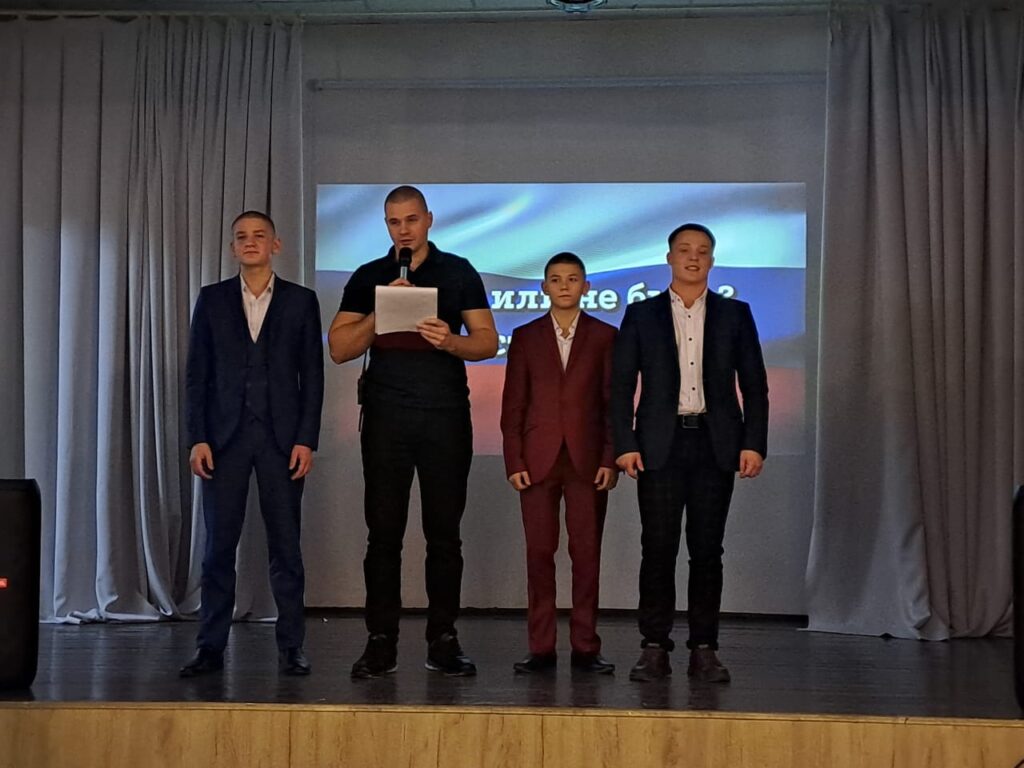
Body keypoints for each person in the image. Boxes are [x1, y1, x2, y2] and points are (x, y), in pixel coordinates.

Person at [328, 185, 498, 678]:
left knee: (444, 535)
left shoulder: (458, 271)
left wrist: (451, 341)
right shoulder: (370, 275)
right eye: (393, 222)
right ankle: (381, 639)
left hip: (444, 415)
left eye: (411, 220)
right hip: (386, 417)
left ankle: (443, 638)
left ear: (429, 219)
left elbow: (487, 342)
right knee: (383, 535)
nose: (403, 230)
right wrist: (381, 314)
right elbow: (339, 348)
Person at [610, 223, 768, 683]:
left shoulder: (735, 313)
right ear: (669, 258)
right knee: (657, 548)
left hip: (716, 445)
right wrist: (625, 444)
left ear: (712, 261)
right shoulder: (642, 314)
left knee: (707, 551)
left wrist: (753, 442)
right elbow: (620, 386)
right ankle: (654, 646)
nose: (693, 258)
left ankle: (704, 648)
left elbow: (754, 385)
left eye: (702, 251)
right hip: (659, 445)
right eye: (684, 250)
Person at [180, 211, 324, 678]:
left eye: (259, 235)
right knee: (218, 549)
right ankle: (210, 647)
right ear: (232, 248)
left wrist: (306, 439)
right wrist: (198, 437)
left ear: (275, 245)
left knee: (286, 548)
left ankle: (292, 646)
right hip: (224, 441)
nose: (250, 242)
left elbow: (312, 377)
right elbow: (197, 375)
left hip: (282, 442)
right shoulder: (212, 299)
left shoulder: (301, 301)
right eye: (241, 237)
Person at [500, 252, 618, 675]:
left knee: (586, 555)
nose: (564, 285)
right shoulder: (525, 336)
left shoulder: (605, 335)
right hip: (537, 460)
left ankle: (586, 646)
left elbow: (613, 404)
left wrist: (610, 457)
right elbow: (514, 403)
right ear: (544, 287)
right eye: (555, 279)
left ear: (586, 286)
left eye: (572, 279)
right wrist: (514, 458)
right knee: (539, 554)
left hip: (588, 461)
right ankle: (541, 647)